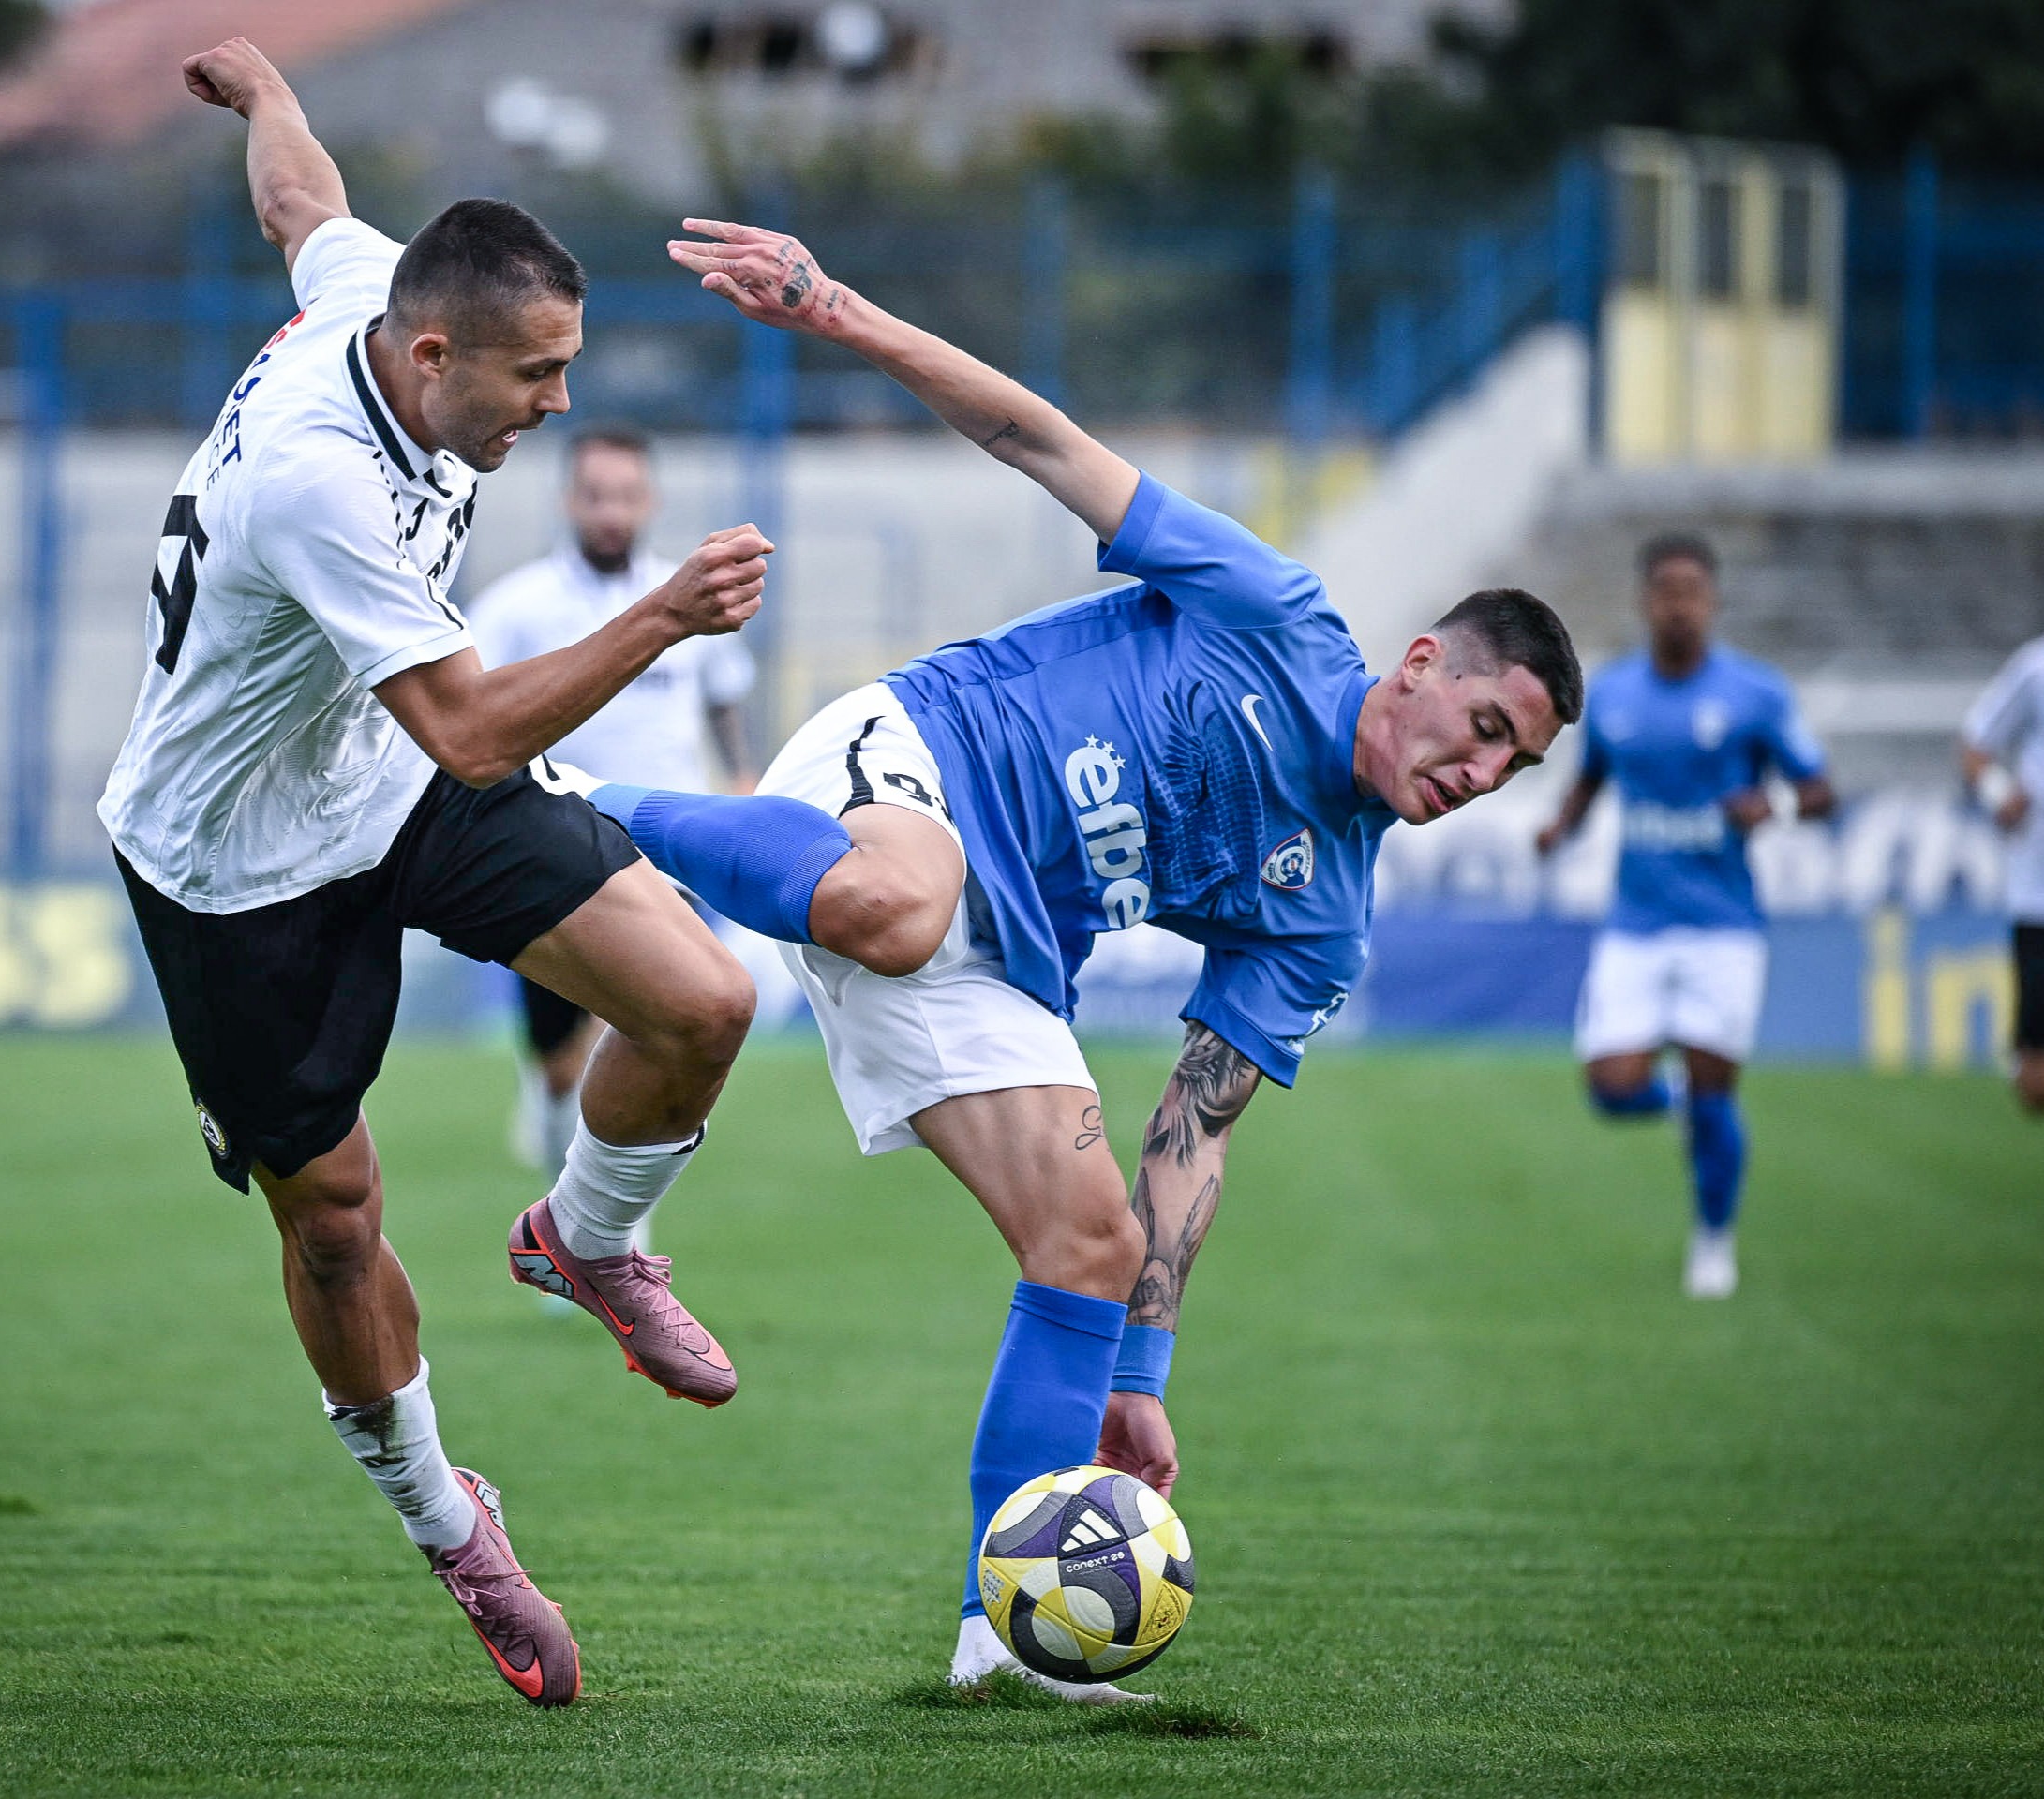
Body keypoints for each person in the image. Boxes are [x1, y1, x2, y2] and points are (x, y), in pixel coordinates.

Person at [560, 217, 1582, 1701]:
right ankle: (566, 803)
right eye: (1486, 728)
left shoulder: (1326, 912)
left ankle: (1002, 1645)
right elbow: (1041, 440)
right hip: (903, 764)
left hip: (1002, 959)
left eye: (1515, 766)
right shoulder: (1280, 618)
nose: (1482, 772)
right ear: (1420, 663)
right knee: (904, 902)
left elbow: (1194, 1126)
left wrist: (1139, 1376)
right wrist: (839, 310)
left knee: (1089, 1245)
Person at [96, 40, 771, 1707]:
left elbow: (304, 206)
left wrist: (265, 96)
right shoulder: (322, 480)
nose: (555, 406)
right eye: (534, 376)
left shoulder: (376, 299)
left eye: (567, 368)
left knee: (702, 998)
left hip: (379, 776)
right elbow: (472, 730)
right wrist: (660, 616)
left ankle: (587, 1243)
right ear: (429, 351)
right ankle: (446, 1522)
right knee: (332, 1223)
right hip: (232, 862)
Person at [1535, 533, 1836, 1300]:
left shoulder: (1755, 694)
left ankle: (1712, 1241)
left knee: (1716, 1089)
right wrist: (1559, 827)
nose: (1678, 603)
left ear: (1712, 600)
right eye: (1664, 589)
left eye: (1691, 590)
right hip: (1635, 921)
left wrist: (1767, 804)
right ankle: (1669, 1104)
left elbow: (1819, 790)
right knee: (1609, 1086)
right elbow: (1591, 779)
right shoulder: (1611, 694)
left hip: (1723, 924)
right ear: (1644, 600)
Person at [463, 427, 756, 1182]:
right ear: (570, 500)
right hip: (552, 849)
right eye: (595, 495)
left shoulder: (686, 597)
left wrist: (741, 776)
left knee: (653, 1030)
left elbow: (722, 697)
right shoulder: (518, 607)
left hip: (665, 849)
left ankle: (614, 1220)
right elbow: (469, 709)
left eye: (625, 496)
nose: (610, 512)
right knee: (563, 1062)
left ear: (648, 501)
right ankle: (549, 1098)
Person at [1960, 635, 2044, 1113]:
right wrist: (1999, 794)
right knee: (2034, 1086)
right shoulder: (2036, 668)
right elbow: (1976, 742)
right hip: (2038, 896)